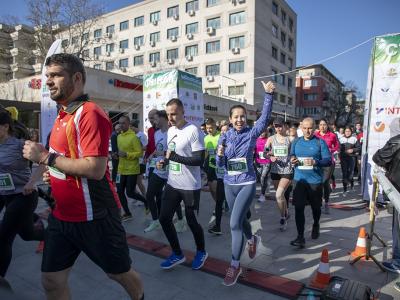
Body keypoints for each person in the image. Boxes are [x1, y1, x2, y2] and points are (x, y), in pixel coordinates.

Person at [22, 53, 144, 300]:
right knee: (51, 281)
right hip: (62, 216)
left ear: (76, 78)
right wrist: (52, 175)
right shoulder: (61, 115)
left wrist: (46, 158)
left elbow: (95, 169)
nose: (48, 81)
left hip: (95, 216)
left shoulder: (89, 113)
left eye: (55, 75)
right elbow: (64, 161)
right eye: (47, 76)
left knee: (119, 274)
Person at [216, 81, 275, 286]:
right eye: (236, 117)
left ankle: (234, 265)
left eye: (242, 116)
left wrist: (268, 95)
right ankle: (252, 239)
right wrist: (219, 155)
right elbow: (220, 164)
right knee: (240, 221)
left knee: (233, 223)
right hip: (228, 183)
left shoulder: (252, 132)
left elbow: (265, 118)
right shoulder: (224, 137)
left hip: (247, 182)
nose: (239, 119)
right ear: (230, 120)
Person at [156, 98, 207, 270]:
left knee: (192, 222)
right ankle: (177, 253)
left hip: (190, 186)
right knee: (164, 218)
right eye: (168, 114)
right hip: (173, 183)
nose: (170, 118)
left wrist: (173, 158)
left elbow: (199, 160)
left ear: (183, 112)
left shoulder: (193, 131)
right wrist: (164, 162)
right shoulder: (170, 131)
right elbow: (171, 154)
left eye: (174, 114)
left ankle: (201, 251)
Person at [0, 111, 45, 278]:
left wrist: (32, 182)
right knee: (26, 235)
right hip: (5, 195)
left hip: (24, 196)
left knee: (4, 238)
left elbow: (43, 161)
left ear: (5, 126)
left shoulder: (21, 145)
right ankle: (50, 235)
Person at [289, 117, 332, 249]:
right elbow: (291, 155)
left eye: (310, 128)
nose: (307, 131)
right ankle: (300, 237)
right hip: (299, 180)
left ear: (314, 128)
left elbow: (328, 161)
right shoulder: (296, 142)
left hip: (315, 181)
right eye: (305, 128)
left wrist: (316, 162)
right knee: (298, 208)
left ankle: (316, 224)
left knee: (316, 208)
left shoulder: (320, 142)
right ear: (301, 128)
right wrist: (292, 159)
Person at [144, 110, 185, 233]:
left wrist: (162, 154)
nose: (153, 121)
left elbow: (177, 151)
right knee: (149, 195)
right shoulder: (156, 133)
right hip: (159, 169)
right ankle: (156, 220)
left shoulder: (173, 132)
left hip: (172, 170)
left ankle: (181, 221)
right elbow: (158, 149)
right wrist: (152, 155)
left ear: (163, 118)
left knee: (173, 198)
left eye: (155, 118)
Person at [372, 124, 400, 278]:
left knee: (398, 228)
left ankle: (398, 261)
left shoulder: (396, 141)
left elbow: (378, 158)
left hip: (398, 190)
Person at [265, 117, 293, 231]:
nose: (278, 128)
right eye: (276, 126)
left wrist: (293, 158)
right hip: (275, 170)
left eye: (280, 126)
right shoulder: (271, 139)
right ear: (273, 126)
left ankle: (283, 218)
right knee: (280, 196)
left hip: (287, 170)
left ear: (284, 126)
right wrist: (270, 156)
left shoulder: (290, 139)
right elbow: (265, 152)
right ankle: (286, 212)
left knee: (278, 195)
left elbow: (294, 153)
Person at [117, 115, 147, 221]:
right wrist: (116, 155)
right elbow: (120, 152)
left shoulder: (134, 137)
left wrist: (126, 154)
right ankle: (127, 213)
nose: (121, 125)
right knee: (119, 192)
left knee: (130, 193)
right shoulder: (119, 137)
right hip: (121, 169)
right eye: (119, 123)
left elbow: (139, 153)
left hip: (132, 169)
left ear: (128, 124)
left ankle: (145, 201)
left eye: (123, 123)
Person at [315, 118, 340, 214]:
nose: (322, 126)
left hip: (329, 162)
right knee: (319, 183)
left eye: (324, 124)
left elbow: (337, 146)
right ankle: (320, 202)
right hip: (318, 161)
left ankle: (326, 203)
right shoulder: (315, 136)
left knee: (325, 182)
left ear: (327, 125)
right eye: (321, 124)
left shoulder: (332, 135)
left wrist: (330, 150)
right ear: (318, 126)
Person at [208, 124, 228, 235]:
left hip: (232, 179)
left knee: (234, 202)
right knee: (219, 202)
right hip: (221, 177)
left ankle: (246, 212)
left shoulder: (234, 141)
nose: (224, 132)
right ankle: (217, 226)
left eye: (226, 130)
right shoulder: (220, 142)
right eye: (222, 131)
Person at [203, 118, 220, 226]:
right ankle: (219, 204)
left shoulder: (221, 136)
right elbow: (206, 152)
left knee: (215, 187)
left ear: (215, 126)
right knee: (211, 189)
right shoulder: (206, 138)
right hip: (209, 165)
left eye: (211, 128)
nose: (209, 130)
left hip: (218, 166)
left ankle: (218, 206)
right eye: (207, 128)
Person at [130, 119, 148, 206]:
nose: (130, 129)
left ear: (133, 127)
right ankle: (137, 197)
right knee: (131, 182)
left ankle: (144, 198)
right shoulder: (131, 135)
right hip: (131, 162)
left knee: (139, 182)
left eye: (131, 127)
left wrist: (136, 148)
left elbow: (146, 148)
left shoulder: (142, 135)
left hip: (140, 162)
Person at [339, 127, 361, 195]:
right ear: (344, 132)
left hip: (352, 158)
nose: (347, 132)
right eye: (346, 131)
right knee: (344, 173)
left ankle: (351, 184)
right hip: (343, 158)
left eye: (349, 131)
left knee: (350, 173)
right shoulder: (341, 139)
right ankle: (345, 189)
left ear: (351, 132)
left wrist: (353, 150)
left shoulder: (354, 139)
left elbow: (359, 148)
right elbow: (338, 148)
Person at [255, 129, 271, 203]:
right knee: (260, 177)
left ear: (266, 132)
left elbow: (271, 150)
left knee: (263, 177)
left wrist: (269, 153)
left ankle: (262, 194)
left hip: (267, 162)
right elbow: (253, 150)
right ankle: (262, 191)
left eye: (263, 132)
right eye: (260, 132)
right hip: (258, 162)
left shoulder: (268, 140)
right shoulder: (256, 140)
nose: (262, 133)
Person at [144, 109, 157, 177]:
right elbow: (149, 144)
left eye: (152, 118)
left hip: (162, 160)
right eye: (149, 118)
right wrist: (146, 156)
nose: (150, 120)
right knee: (151, 179)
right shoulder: (150, 130)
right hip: (152, 160)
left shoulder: (166, 129)